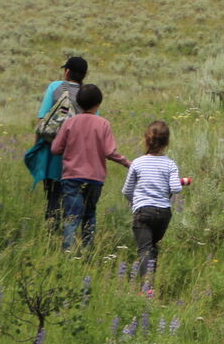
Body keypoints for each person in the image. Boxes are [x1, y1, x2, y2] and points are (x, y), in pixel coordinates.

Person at [49, 84, 130, 250]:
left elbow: (55, 149)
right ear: (98, 103)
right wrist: (126, 162)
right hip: (95, 178)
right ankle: (87, 251)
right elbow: (109, 151)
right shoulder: (103, 124)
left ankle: (68, 253)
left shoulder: (69, 123)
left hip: (71, 177)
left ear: (77, 102)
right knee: (89, 214)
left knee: (71, 216)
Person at [122, 120, 185, 293]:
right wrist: (180, 182)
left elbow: (127, 190)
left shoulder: (137, 163)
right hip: (164, 213)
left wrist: (135, 203)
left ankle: (147, 289)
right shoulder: (170, 164)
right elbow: (176, 188)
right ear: (167, 142)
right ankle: (151, 283)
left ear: (146, 140)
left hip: (143, 211)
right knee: (152, 247)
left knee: (144, 249)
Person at [25, 56, 87, 225]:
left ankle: (53, 233)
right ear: (84, 75)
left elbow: (42, 120)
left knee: (53, 196)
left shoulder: (55, 87)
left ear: (67, 72)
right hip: (77, 156)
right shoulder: (87, 93)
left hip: (52, 153)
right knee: (73, 197)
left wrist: (36, 146)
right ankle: (70, 234)